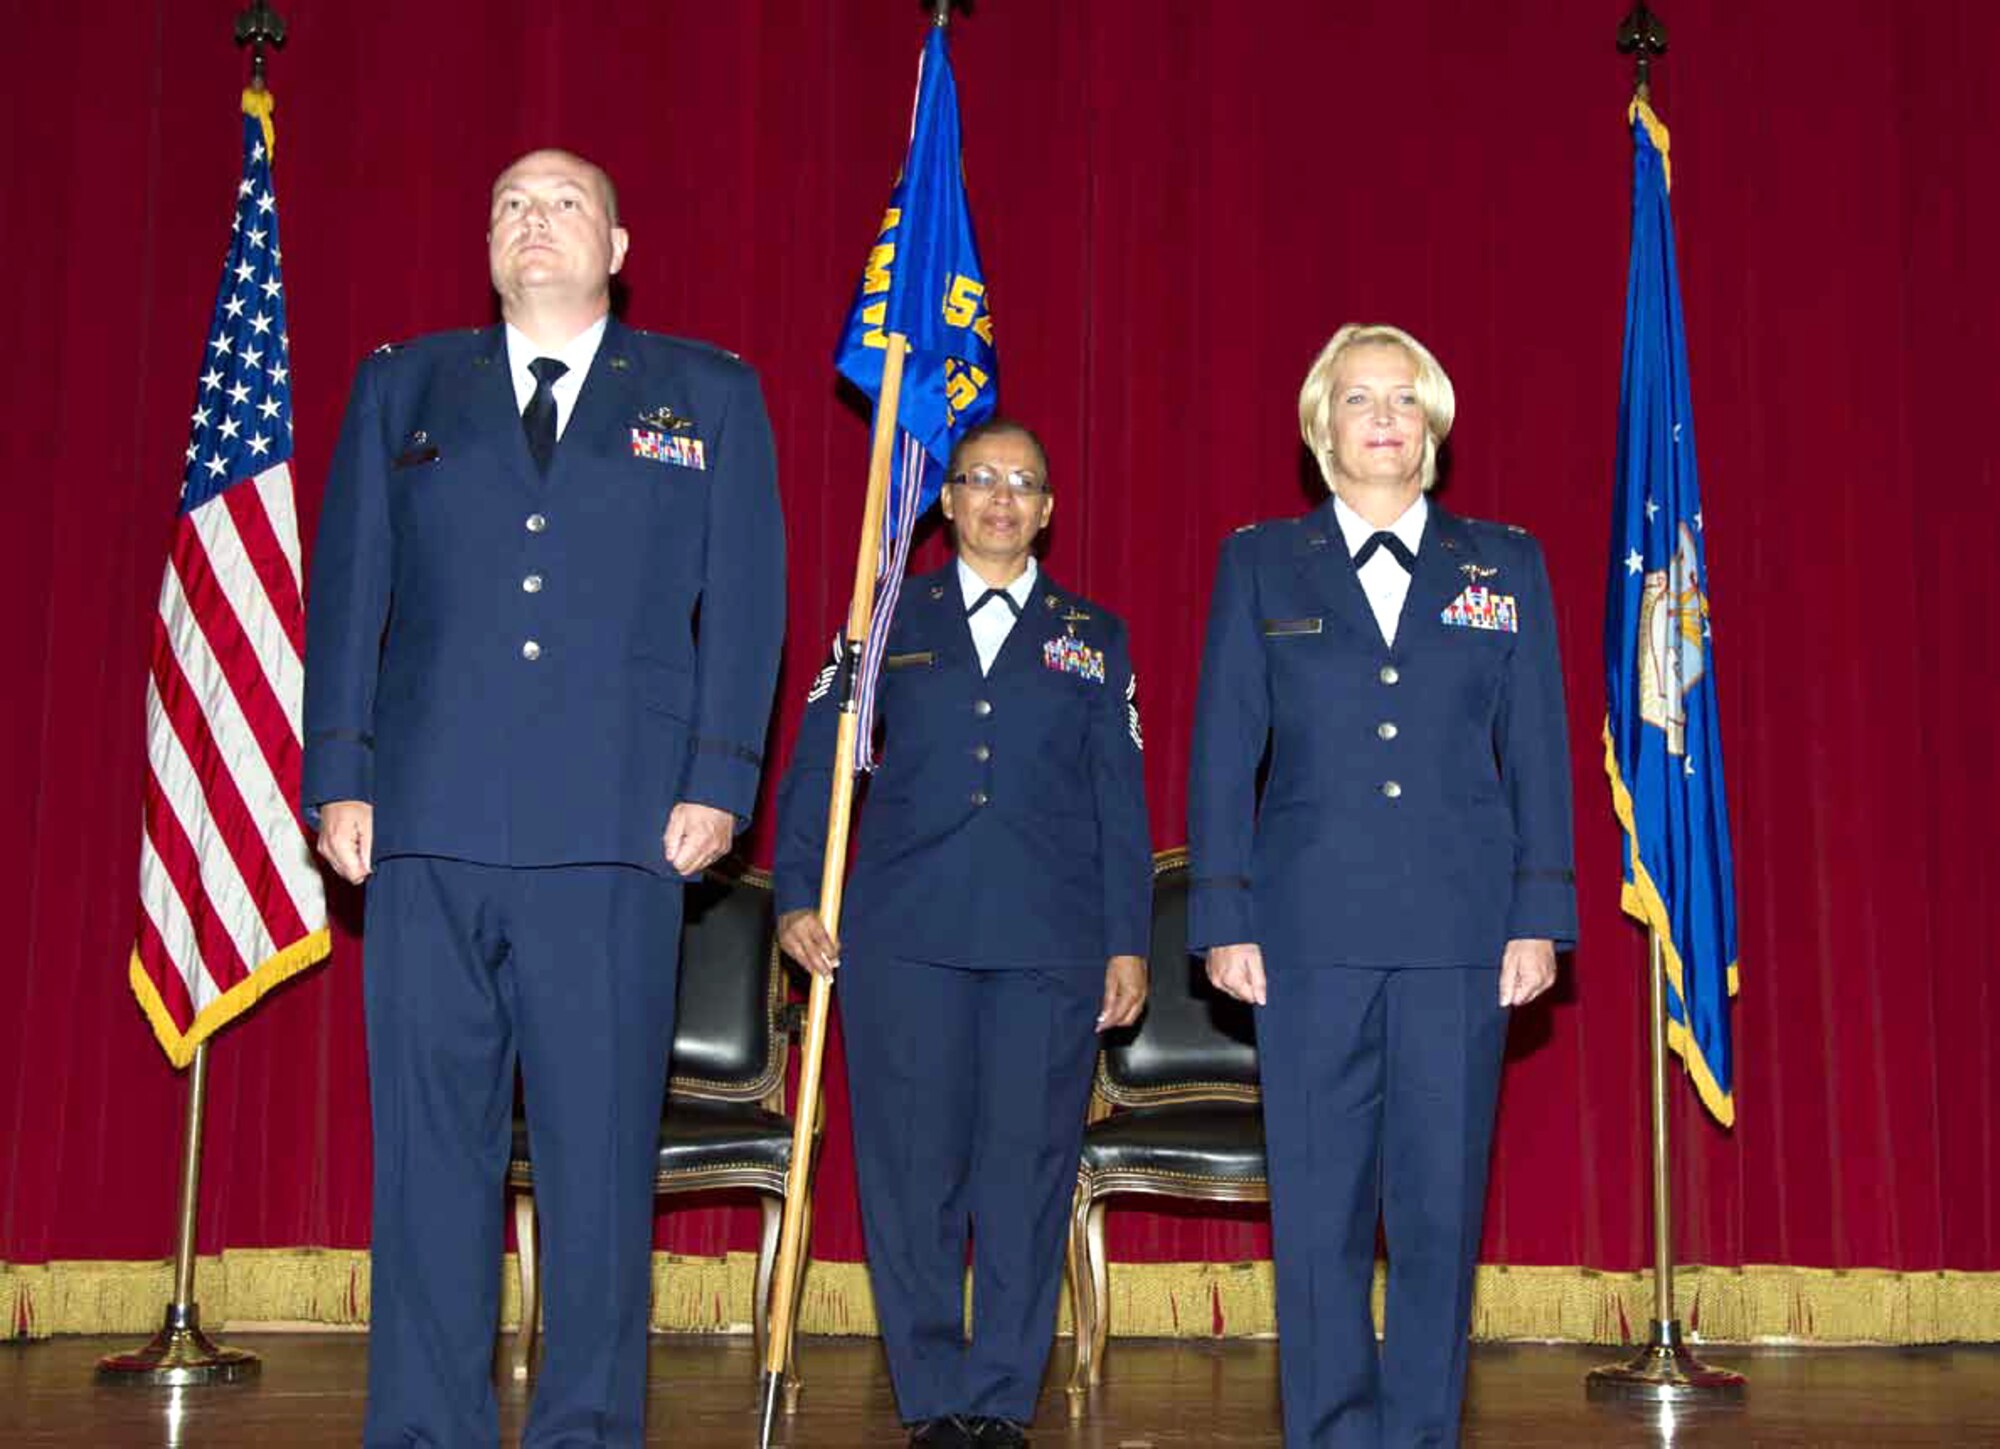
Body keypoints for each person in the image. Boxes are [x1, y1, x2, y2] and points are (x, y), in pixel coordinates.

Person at [301, 148, 785, 1448]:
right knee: (430, 1164)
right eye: (511, 202)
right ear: (487, 242)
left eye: (567, 203)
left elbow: (743, 607)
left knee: (598, 1167)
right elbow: (350, 591)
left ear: (617, 248)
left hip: (617, 831)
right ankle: (422, 1428)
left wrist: (722, 776)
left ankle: (587, 1429)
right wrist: (339, 770)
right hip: (428, 826)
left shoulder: (707, 397)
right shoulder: (404, 386)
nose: (536, 221)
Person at [1187, 323, 1576, 1447]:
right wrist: (1221, 913)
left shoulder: (1501, 565)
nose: (1382, 418)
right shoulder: (1259, 562)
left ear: (1432, 429)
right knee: (1317, 1213)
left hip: (1461, 934)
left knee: (1438, 1207)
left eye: (1403, 400)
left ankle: (1418, 1432)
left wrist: (1537, 915)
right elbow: (1222, 748)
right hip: (1305, 934)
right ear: (1321, 431)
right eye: (1358, 399)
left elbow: (1538, 751)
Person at [773, 420, 1151, 1448]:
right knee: (910, 1173)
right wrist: (799, 895)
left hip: (1050, 943)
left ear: (1047, 509)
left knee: (1024, 1175)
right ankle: (933, 1394)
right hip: (904, 937)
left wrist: (1127, 940)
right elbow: (822, 762)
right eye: (979, 479)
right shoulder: (887, 611)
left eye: (1021, 483)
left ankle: (997, 1400)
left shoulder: (1092, 634)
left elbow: (1121, 799)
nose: (998, 497)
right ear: (944, 501)